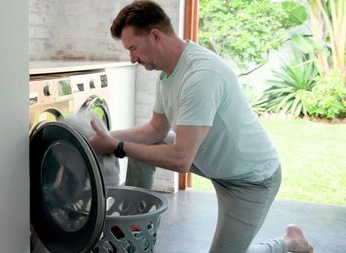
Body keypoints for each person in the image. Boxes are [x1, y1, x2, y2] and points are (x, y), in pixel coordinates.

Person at [88, 1, 314, 253]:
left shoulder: (201, 75)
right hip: (211, 159)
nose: (132, 59)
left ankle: (289, 243)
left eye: (133, 48)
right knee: (142, 145)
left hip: (251, 179)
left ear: (155, 36)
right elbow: (155, 130)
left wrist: (117, 146)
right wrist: (104, 137)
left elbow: (181, 159)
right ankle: (131, 230)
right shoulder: (166, 75)